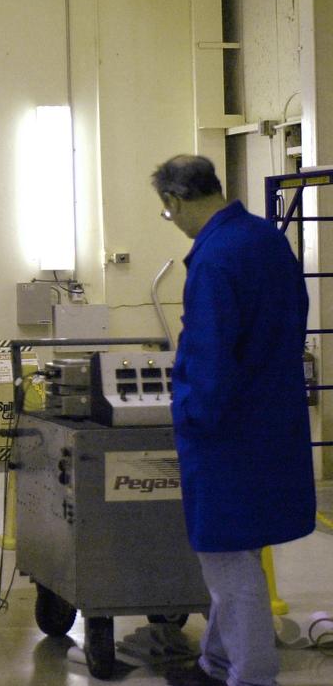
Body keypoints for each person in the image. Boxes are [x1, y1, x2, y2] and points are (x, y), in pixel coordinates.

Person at [152, 154, 316, 686]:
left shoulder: (216, 258)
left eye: (167, 212)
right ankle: (216, 662)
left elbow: (208, 352)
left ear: (174, 202)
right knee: (241, 547)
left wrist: (188, 417)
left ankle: (252, 675)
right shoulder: (266, 240)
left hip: (224, 431)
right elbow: (295, 319)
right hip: (273, 419)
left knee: (226, 561)